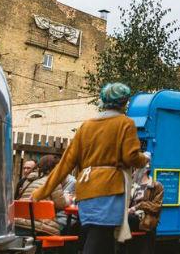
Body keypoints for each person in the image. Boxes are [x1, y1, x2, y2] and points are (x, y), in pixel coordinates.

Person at [32, 82, 149, 254]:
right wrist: (143, 159)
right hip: (110, 188)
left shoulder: (86, 125)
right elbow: (130, 156)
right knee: (100, 239)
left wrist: (41, 192)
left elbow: (66, 163)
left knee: (98, 239)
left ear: (103, 100)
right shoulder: (125, 123)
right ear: (125, 102)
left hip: (85, 189)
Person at [16, 155, 70, 236]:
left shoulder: (28, 181)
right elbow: (61, 205)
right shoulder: (52, 182)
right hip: (40, 227)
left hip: (19, 223)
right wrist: (67, 198)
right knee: (70, 223)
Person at [120, 153, 163, 254]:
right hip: (131, 221)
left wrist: (137, 207)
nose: (133, 171)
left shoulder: (156, 186)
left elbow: (156, 207)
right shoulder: (132, 186)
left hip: (145, 221)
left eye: (136, 169)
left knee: (125, 219)